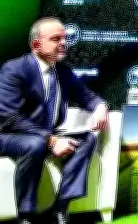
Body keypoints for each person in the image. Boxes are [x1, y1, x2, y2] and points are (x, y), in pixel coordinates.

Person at [0, 17, 109, 224]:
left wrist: (100, 107)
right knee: (35, 144)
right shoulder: (14, 69)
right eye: (56, 39)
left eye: (64, 38)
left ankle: (61, 208)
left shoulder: (62, 71)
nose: (64, 43)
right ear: (36, 45)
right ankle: (25, 216)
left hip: (43, 134)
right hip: (8, 135)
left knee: (86, 139)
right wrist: (51, 140)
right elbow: (9, 117)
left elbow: (87, 97)